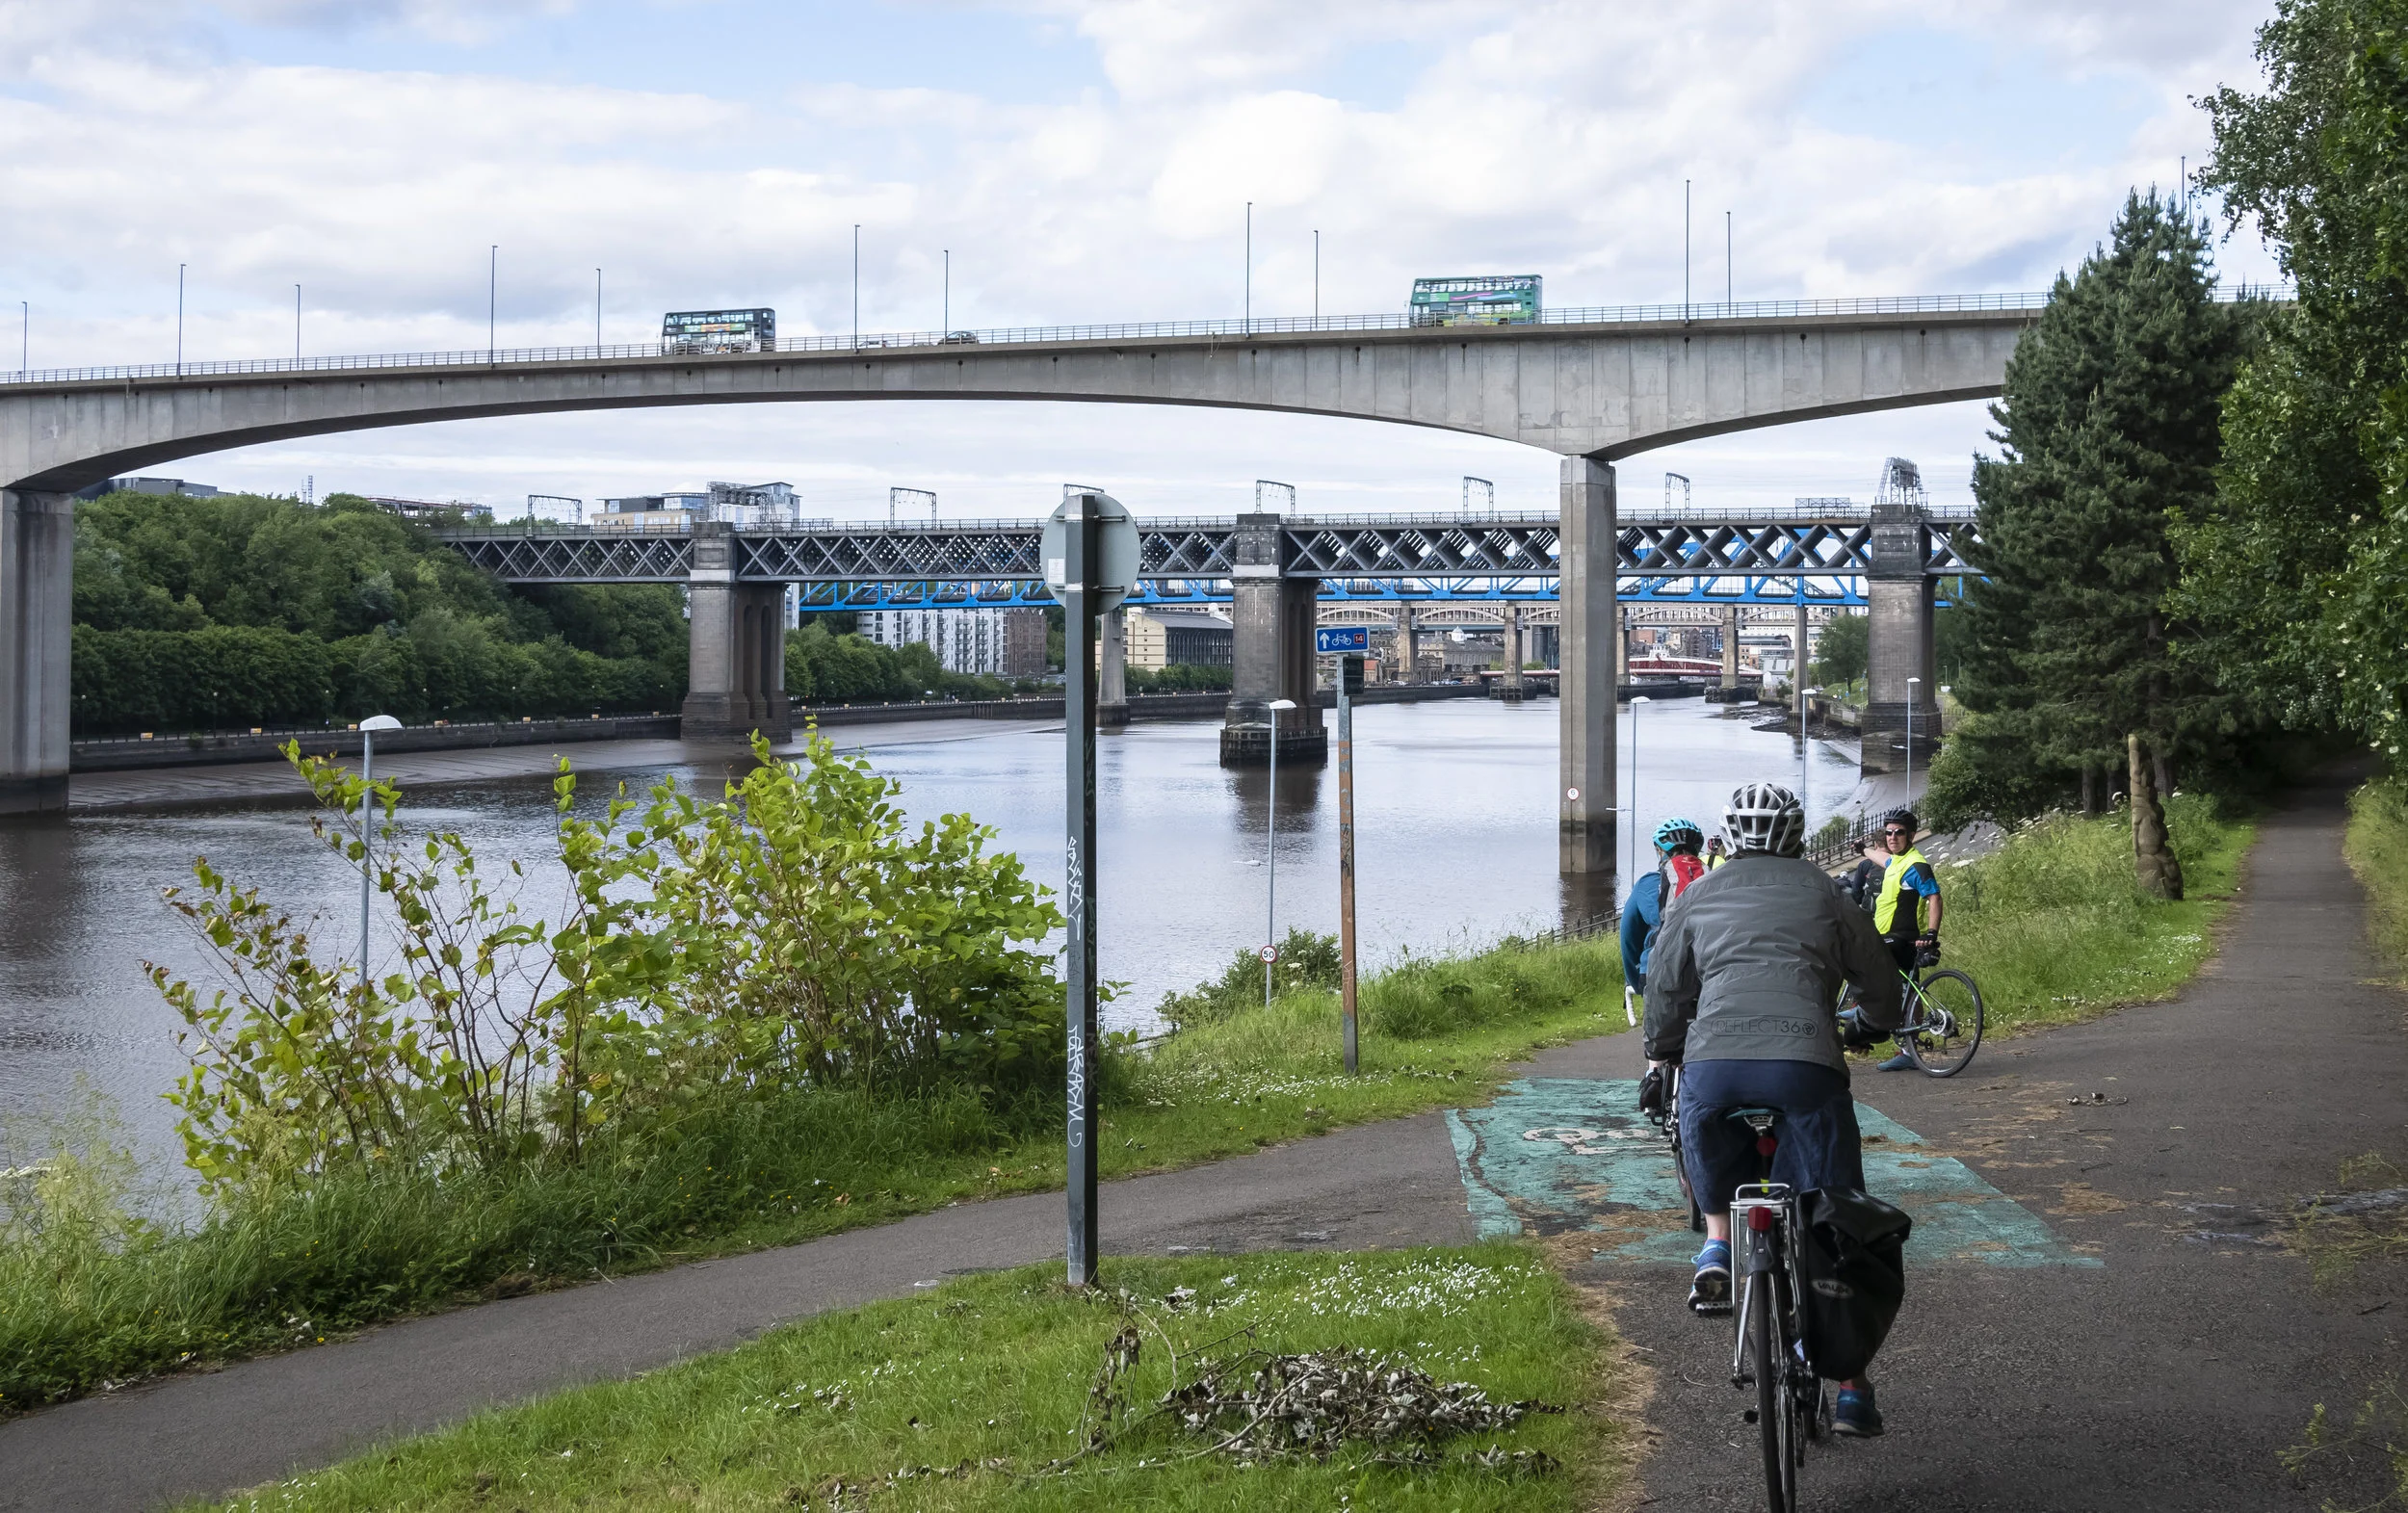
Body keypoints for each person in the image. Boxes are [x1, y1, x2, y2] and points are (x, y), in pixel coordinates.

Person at [1638, 781, 1904, 1438]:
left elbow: (1666, 986)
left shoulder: (1697, 894)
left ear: (1732, 837)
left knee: (1700, 1125)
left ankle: (1717, 1245)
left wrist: (1666, 1048)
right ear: (1795, 834)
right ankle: (1851, 1387)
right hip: (1806, 1065)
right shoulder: (1827, 892)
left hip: (1715, 1066)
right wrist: (1871, 1023)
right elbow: (1879, 981)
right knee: (1832, 1212)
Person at [1867, 808, 1943, 1073]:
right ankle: (1907, 1050)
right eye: (1888, 832)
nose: (1892, 837)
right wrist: (1861, 850)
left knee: (1862, 960)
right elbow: (1883, 859)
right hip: (1889, 935)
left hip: (1903, 937)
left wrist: (1931, 935)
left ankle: (1862, 1014)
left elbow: (1934, 897)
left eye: (1899, 833)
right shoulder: (1897, 862)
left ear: (1911, 835)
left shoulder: (1915, 865)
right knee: (1908, 992)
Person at [1619, 817, 1709, 994]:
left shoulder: (1647, 884)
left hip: (1657, 972)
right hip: (1708, 972)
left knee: (1662, 1021)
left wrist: (1635, 979)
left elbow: (1628, 937)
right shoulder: (1713, 880)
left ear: (1661, 852)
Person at [1844, 836, 1888, 910]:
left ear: (1876, 844)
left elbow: (1856, 892)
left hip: (1870, 913)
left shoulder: (1865, 865)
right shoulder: (1900, 862)